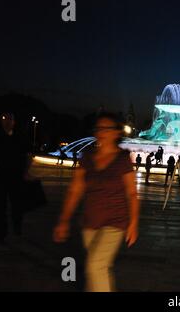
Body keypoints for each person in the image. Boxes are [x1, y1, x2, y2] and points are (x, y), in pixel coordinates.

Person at [53, 112, 139, 292]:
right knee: (99, 267)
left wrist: (133, 223)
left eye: (106, 128)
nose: (101, 132)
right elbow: (75, 190)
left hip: (115, 222)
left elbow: (131, 193)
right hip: (90, 223)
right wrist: (64, 220)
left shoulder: (122, 159)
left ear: (117, 133)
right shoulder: (87, 157)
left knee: (95, 265)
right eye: (98, 128)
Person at [0, 112, 31, 242]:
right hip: (0, 176)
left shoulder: (20, 137)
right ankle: (1, 232)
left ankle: (17, 228)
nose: (7, 121)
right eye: (4, 119)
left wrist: (26, 171)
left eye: (10, 119)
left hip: (17, 175)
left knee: (17, 204)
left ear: (14, 122)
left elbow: (28, 156)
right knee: (0, 206)